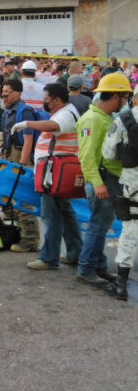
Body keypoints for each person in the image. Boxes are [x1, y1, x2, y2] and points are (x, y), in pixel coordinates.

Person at [12, 82, 83, 271]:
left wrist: (27, 124)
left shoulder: (66, 114)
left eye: (46, 100)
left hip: (54, 173)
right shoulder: (64, 111)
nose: (44, 103)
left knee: (51, 217)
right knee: (66, 215)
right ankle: (75, 252)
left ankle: (49, 258)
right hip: (54, 172)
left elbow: (53, 126)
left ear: (57, 100)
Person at [75, 74, 131, 286]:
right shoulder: (92, 119)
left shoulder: (103, 118)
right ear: (116, 96)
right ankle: (86, 269)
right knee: (98, 225)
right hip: (102, 179)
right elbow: (86, 155)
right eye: (124, 97)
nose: (125, 102)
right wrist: (97, 182)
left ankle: (98, 266)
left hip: (107, 178)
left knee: (101, 224)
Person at [101, 89, 138, 300]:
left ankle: (121, 284)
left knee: (131, 229)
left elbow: (108, 153)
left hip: (133, 182)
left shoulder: (125, 119)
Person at [0, 79, 41, 253]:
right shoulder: (7, 111)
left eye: (6, 94)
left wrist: (22, 166)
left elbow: (28, 141)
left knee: (23, 198)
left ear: (17, 93)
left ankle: (30, 241)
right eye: (2, 94)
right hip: (8, 153)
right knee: (4, 195)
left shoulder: (25, 112)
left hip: (20, 155)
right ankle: (13, 233)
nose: (4, 97)